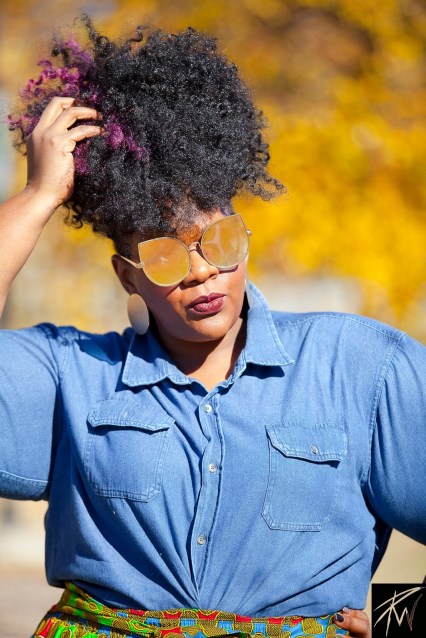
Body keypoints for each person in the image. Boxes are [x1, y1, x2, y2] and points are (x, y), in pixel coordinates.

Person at [1, 15, 424, 638]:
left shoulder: (362, 367)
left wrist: (398, 618)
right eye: (164, 256)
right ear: (127, 277)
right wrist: (38, 196)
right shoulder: (71, 377)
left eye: (219, 239)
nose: (201, 271)